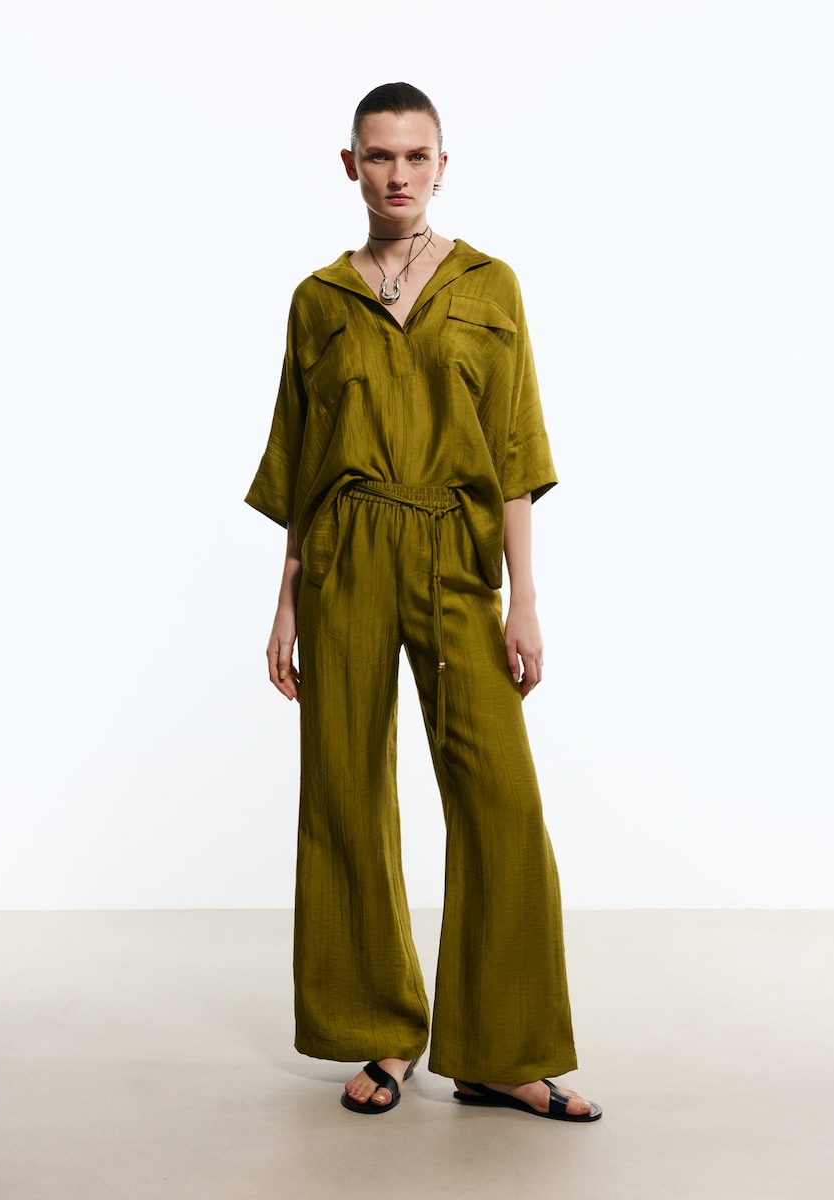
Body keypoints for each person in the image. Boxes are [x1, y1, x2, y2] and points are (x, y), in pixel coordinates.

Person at [246, 82, 600, 1123]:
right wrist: (286, 603)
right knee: (345, 789)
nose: (396, 173)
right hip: (346, 554)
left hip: (454, 551)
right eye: (378, 154)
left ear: (442, 165)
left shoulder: (490, 286)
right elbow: (301, 462)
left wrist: (522, 599)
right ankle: (381, 1031)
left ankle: (501, 1051)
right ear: (348, 165)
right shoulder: (318, 299)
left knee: (499, 797)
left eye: (414, 155)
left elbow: (515, 451)